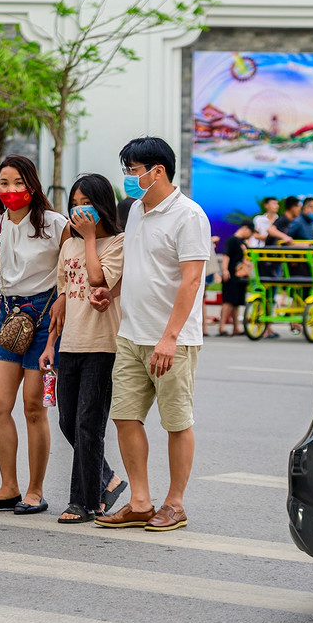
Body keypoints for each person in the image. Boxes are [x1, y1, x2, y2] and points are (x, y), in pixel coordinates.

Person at [92, 136, 210, 533]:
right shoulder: (136, 211)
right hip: (131, 334)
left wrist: (170, 337)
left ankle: (175, 504)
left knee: (176, 422)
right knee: (125, 417)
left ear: (157, 171)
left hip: (171, 339)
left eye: (132, 170)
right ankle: (141, 501)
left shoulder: (189, 216)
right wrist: (111, 292)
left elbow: (191, 281)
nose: (127, 177)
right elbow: (138, 266)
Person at [0, 155, 69, 515]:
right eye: (4, 183)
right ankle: (8, 486)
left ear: (33, 186)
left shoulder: (57, 225)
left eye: (18, 183)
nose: (11, 190)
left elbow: (72, 269)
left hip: (45, 315)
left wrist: (63, 301)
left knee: (33, 406)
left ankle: (34, 490)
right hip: (10, 316)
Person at [38, 173, 128, 523]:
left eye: (85, 203)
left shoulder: (118, 243)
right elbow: (62, 299)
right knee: (67, 421)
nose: (79, 210)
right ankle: (108, 480)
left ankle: (84, 502)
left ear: (102, 205)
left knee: (89, 424)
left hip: (103, 346)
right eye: (74, 204)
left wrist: (90, 238)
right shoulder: (68, 246)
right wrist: (49, 345)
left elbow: (97, 278)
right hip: (70, 345)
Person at [218, 220, 254, 337]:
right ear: (245, 228)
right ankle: (222, 327)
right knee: (228, 301)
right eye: (251, 231)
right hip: (231, 274)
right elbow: (226, 255)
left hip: (241, 277)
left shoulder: (243, 243)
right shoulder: (232, 240)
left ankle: (236, 327)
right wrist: (225, 270)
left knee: (236, 302)